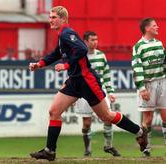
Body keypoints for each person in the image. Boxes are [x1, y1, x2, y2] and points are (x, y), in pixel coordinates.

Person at [29, 6, 147, 161]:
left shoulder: (66, 33)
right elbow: (57, 53)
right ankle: (50, 151)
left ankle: (140, 132)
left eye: (53, 17)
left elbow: (82, 49)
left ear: (63, 19)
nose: (50, 20)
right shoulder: (61, 36)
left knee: (106, 116)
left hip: (86, 80)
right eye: (50, 17)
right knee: (54, 112)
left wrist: (66, 65)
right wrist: (40, 63)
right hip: (74, 81)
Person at [75, 31, 120, 157]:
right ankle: (88, 149)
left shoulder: (101, 55)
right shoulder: (80, 56)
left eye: (96, 39)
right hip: (84, 92)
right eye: (92, 40)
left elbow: (106, 75)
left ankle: (108, 146)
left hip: (100, 91)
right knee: (87, 123)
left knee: (108, 118)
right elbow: (74, 75)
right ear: (85, 42)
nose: (95, 42)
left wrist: (110, 91)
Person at [132, 17, 166, 157]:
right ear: (147, 28)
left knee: (165, 116)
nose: (157, 27)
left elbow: (163, 64)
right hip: (148, 84)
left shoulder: (159, 43)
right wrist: (142, 88)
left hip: (162, 82)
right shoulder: (138, 46)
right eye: (154, 25)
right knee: (148, 119)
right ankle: (146, 149)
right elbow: (137, 67)